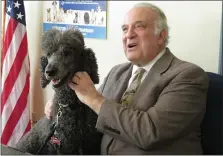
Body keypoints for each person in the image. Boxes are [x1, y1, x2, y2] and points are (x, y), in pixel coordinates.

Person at [44, 2, 209, 155]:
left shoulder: (188, 76)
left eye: (139, 27)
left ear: (161, 36)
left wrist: (94, 98)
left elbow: (150, 133)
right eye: (124, 29)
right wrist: (62, 106)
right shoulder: (118, 72)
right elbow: (93, 115)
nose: (128, 35)